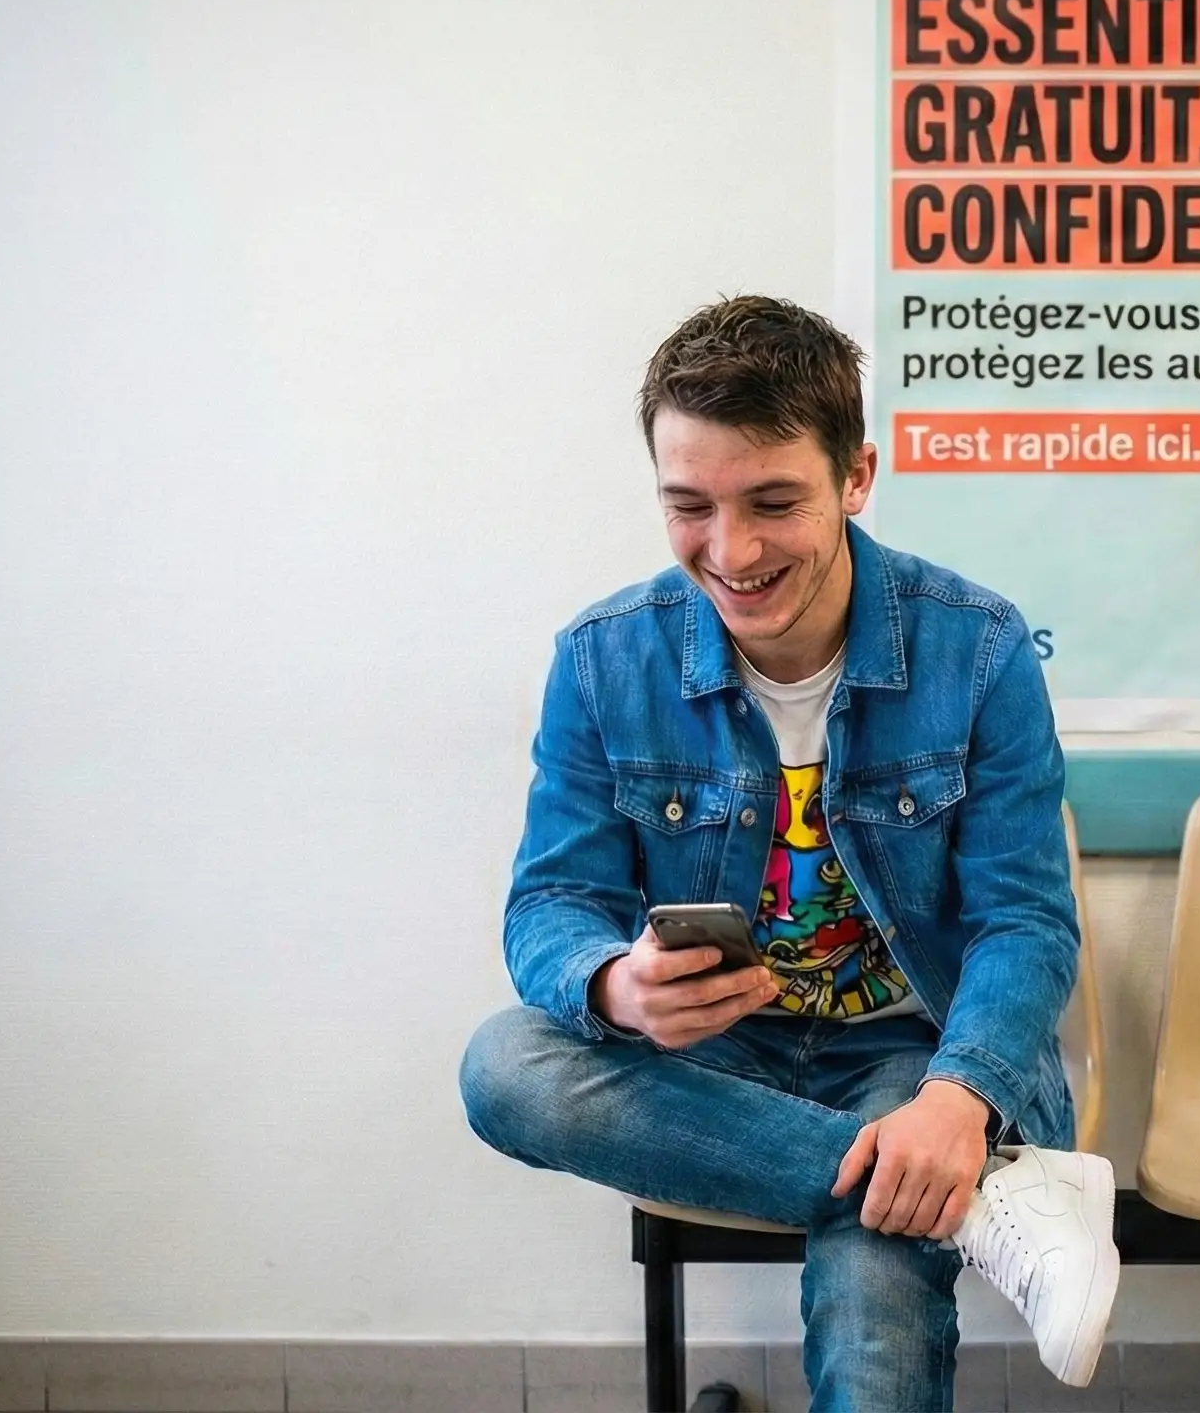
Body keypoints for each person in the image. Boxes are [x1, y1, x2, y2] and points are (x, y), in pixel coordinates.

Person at [459, 296, 1120, 1410]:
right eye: (689, 507)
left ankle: (943, 1170)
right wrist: (614, 988)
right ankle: (991, 1201)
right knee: (505, 1065)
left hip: (917, 1050)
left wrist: (960, 1102)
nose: (733, 551)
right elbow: (554, 905)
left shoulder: (980, 648)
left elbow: (1024, 921)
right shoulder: (601, 659)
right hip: (716, 1068)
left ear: (857, 475)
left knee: (878, 1279)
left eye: (773, 502)